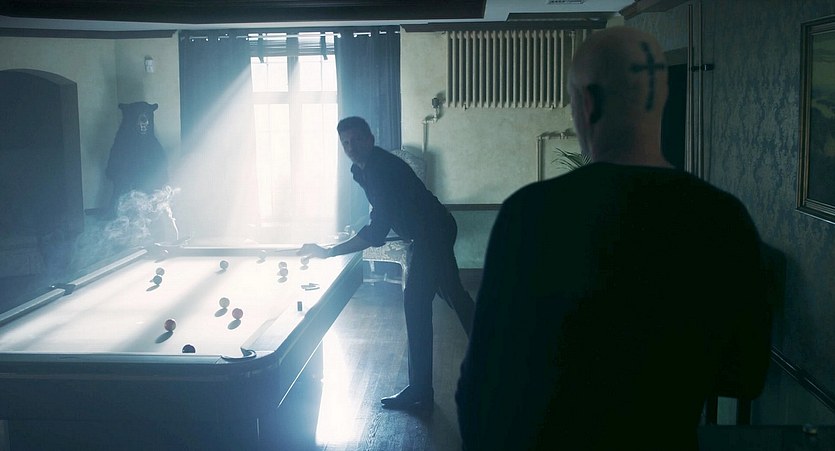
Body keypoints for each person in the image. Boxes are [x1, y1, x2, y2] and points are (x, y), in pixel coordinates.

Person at [455, 27, 771, 450]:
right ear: (661, 99)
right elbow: (746, 376)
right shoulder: (725, 217)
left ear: (587, 104)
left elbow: (482, 380)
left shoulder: (529, 213)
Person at [299, 116, 476, 411]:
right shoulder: (363, 169)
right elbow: (387, 215)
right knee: (454, 295)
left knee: (415, 303)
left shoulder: (380, 170)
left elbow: (377, 230)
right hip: (434, 230)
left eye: (357, 139)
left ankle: (420, 390)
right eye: (345, 142)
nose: (351, 146)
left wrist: (329, 252)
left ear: (371, 138)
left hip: (432, 234)